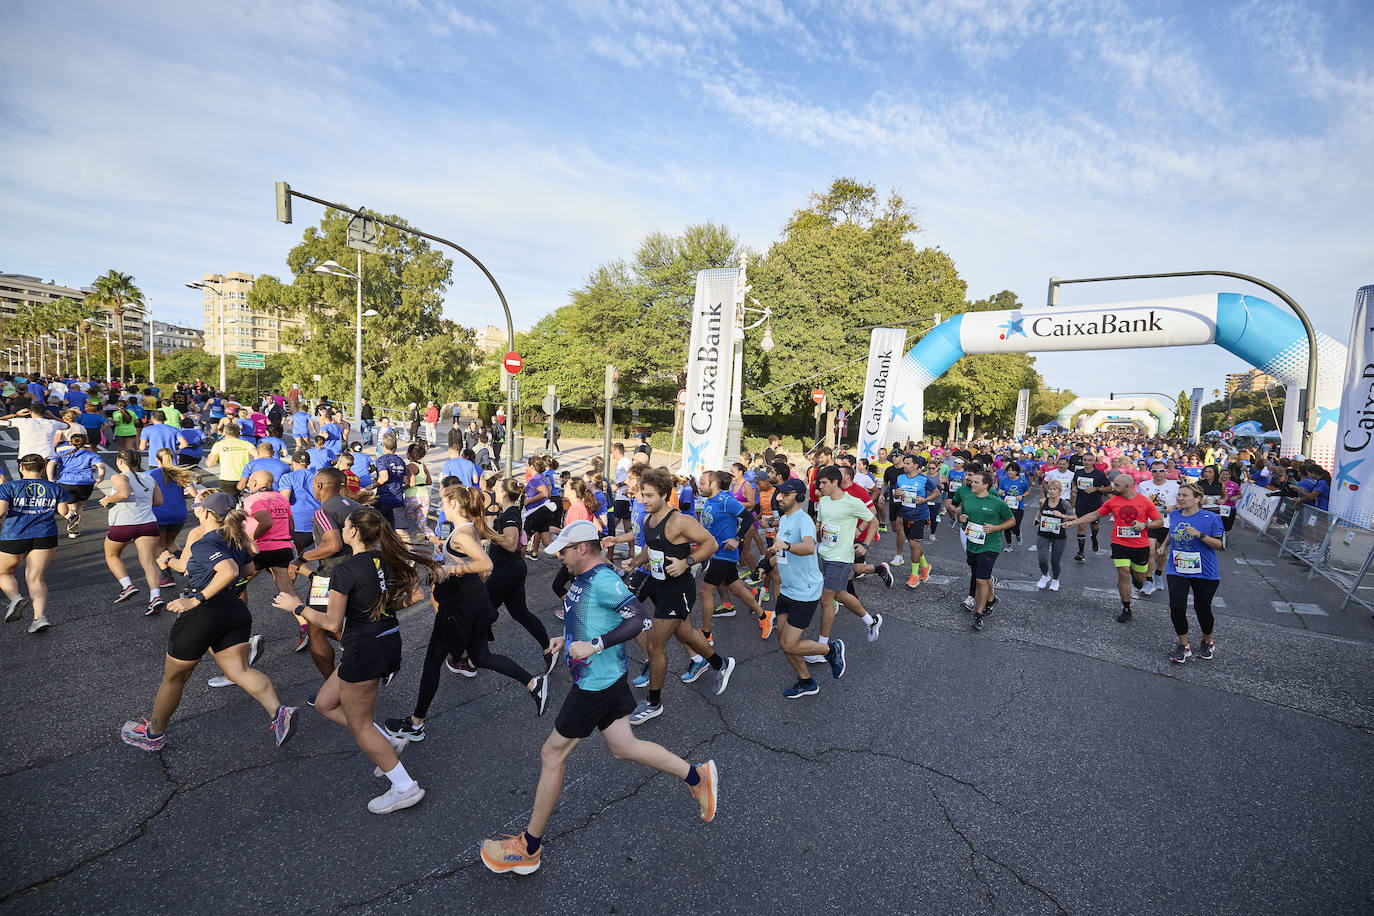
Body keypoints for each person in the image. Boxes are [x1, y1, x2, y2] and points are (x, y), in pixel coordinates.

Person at [479, 519, 718, 876]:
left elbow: (640, 619)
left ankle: (528, 849)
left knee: (552, 753)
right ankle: (698, 777)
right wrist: (567, 636)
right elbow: (590, 616)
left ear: (583, 548)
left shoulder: (604, 579)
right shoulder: (585, 579)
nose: (559, 555)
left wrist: (594, 645)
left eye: (564, 549)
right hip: (606, 677)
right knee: (624, 746)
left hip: (595, 683)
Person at [270, 506, 436, 812]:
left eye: (345, 525)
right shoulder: (388, 558)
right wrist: (379, 607)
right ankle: (388, 742)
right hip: (386, 641)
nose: (343, 529)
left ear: (354, 532)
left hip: (365, 648)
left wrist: (296, 607)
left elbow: (332, 624)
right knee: (324, 703)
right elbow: (415, 597)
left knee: (361, 725)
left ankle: (405, 787)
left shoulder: (345, 570)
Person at [121, 492, 298, 752]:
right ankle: (279, 713)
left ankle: (152, 734)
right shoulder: (236, 537)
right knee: (240, 671)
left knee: (174, 678)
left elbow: (230, 571)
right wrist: (170, 561)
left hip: (202, 615)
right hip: (235, 611)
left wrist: (196, 599)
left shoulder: (206, 541)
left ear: (205, 513)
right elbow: (247, 570)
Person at [383, 485, 553, 746]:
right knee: (481, 656)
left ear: (453, 503)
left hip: (459, 607)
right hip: (472, 602)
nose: (442, 502)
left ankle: (416, 724)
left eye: (444, 499)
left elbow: (486, 564)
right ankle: (533, 683)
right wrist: (448, 564)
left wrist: (449, 572)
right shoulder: (469, 527)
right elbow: (475, 563)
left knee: (432, 661)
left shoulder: (462, 534)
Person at [622, 468, 734, 724]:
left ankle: (653, 703)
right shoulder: (650, 520)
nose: (644, 499)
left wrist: (687, 561)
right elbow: (652, 545)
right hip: (659, 582)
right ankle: (720, 663)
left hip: (679, 589)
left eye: (650, 495)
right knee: (684, 634)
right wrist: (635, 561)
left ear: (664, 494)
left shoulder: (680, 521)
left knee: (655, 644)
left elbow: (711, 544)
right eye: (642, 494)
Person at [766, 478, 846, 697]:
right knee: (784, 642)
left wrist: (789, 545)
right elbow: (781, 551)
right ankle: (806, 681)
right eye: (779, 494)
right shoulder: (784, 519)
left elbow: (810, 547)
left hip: (805, 591)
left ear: (799, 498)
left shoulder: (804, 521)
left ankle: (831, 649)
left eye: (786, 495)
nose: (779, 498)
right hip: (787, 589)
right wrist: (766, 564)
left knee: (790, 644)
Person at [287, 467, 360, 682]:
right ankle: (367, 656)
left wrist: (302, 558)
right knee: (338, 624)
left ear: (318, 485)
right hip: (359, 572)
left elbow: (334, 544)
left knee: (316, 629)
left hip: (330, 576)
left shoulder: (323, 511)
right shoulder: (356, 506)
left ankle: (334, 685)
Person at [483, 478, 561, 676]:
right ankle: (548, 649)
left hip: (506, 571)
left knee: (483, 609)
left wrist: (489, 532)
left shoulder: (510, 515)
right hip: (512, 569)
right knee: (519, 613)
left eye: (498, 488)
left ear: (503, 494)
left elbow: (510, 544)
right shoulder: (509, 512)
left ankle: (470, 656)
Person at [1065, 474, 1164, 623]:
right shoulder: (1113, 501)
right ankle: (1126, 608)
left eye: (1117, 485)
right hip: (1119, 543)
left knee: (1140, 581)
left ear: (1128, 486)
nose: (1113, 487)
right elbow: (1094, 514)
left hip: (1140, 546)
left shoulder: (1144, 501)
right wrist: (1074, 523)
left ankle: (1136, 574)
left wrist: (1145, 525)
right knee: (1122, 573)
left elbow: (1159, 521)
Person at [0, 454, 73, 633]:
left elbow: (1, 511)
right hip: (45, 535)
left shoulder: (9, 487)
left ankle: (15, 598)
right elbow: (64, 511)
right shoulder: (55, 487)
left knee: (4, 572)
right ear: (42, 469)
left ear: (22, 468)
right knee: (36, 578)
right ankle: (39, 618)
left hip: (14, 535)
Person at [814, 466, 884, 644]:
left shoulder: (852, 502)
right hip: (826, 555)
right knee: (839, 594)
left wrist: (865, 545)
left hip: (841, 558)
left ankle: (823, 648)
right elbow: (820, 526)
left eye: (823, 483)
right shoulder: (823, 502)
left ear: (835, 482)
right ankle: (871, 621)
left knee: (826, 599)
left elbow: (873, 521)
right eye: (819, 482)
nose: (820, 486)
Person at [1164, 481, 1225, 663]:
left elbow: (1221, 546)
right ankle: (1183, 645)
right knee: (1176, 606)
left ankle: (1207, 641)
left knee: (1202, 608)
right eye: (1179, 495)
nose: (1180, 498)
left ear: (1197, 499)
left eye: (1185, 496)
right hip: (1177, 568)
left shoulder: (1212, 518)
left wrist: (1200, 535)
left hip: (1205, 571)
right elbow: (1172, 531)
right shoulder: (1174, 514)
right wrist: (1163, 546)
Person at [949, 470, 1015, 631]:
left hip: (990, 545)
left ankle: (978, 615)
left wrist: (996, 528)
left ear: (986, 485)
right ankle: (992, 600)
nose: (972, 483)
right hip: (972, 544)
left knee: (980, 580)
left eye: (976, 482)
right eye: (972, 481)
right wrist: (961, 519)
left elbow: (1011, 520)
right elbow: (964, 521)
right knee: (982, 578)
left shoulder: (997, 502)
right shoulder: (967, 499)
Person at [101, 449, 165, 615]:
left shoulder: (119, 476)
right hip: (148, 523)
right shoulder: (149, 478)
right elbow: (158, 501)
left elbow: (124, 494)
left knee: (112, 556)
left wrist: (107, 499)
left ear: (120, 462)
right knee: (149, 562)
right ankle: (155, 596)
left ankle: (127, 585)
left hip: (123, 523)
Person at [47, 433, 104, 538]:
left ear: (70, 443)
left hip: (67, 483)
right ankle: (74, 530)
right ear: (85, 442)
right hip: (86, 484)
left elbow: (51, 464)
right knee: (80, 506)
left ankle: (70, 519)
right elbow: (100, 465)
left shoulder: (63, 453)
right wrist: (101, 478)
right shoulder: (91, 454)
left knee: (69, 509)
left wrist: (51, 479)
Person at [1137, 461, 1180, 595]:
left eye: (1161, 471)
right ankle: (1148, 581)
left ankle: (1158, 574)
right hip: (1149, 522)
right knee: (1150, 551)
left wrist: (1173, 507)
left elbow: (1182, 501)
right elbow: (1138, 502)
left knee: (1161, 552)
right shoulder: (1143, 485)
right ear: (1150, 471)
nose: (1158, 474)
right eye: (1155, 471)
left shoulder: (1175, 486)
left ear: (1165, 471)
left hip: (1166, 522)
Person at [150, 448, 194, 556]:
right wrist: (179, 496)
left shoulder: (150, 474)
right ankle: (183, 565)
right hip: (179, 514)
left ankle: (166, 571)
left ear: (157, 459)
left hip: (159, 514)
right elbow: (193, 494)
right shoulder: (180, 473)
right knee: (170, 543)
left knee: (159, 545)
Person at [1033, 477, 1076, 591]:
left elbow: (1073, 517)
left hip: (1059, 535)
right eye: (1050, 489)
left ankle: (1055, 580)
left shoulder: (1064, 503)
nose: (1051, 491)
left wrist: (1062, 516)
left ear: (1059, 491)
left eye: (1054, 489)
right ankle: (1045, 576)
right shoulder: (1043, 501)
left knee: (1055, 560)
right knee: (1042, 558)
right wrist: (1036, 519)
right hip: (1043, 533)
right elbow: (1039, 511)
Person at [1070, 458, 1110, 561]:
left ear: (1093, 462)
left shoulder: (1099, 474)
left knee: (1094, 526)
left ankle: (1094, 537)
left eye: (1089, 460)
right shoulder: (1078, 472)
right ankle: (1081, 552)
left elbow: (1109, 488)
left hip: (1094, 504)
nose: (1087, 462)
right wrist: (1074, 488)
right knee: (1082, 526)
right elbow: (1073, 482)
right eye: (1085, 460)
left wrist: (1096, 489)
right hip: (1081, 503)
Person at [0, 406, 68, 463]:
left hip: (26, 456)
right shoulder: (53, 423)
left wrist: (15, 414)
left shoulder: (23, 421)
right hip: (47, 457)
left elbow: (1, 422)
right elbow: (68, 425)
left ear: (31, 412)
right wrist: (52, 416)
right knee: (46, 478)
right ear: (44, 413)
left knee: (26, 478)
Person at [205, 424, 254, 496]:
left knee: (229, 503)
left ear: (225, 433)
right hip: (244, 477)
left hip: (227, 478)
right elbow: (258, 456)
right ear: (239, 433)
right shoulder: (247, 444)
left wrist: (209, 457)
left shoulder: (219, 444)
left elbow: (210, 464)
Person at [373, 433, 407, 529]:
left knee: (380, 528)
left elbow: (384, 478)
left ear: (382, 446)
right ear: (395, 447)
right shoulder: (400, 461)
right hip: (398, 499)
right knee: (399, 530)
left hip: (384, 498)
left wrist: (374, 485)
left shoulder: (381, 460)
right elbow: (405, 480)